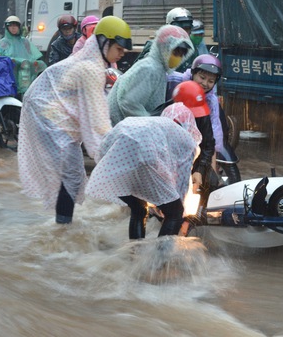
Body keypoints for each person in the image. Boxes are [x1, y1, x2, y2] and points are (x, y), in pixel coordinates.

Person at [17, 16, 132, 224]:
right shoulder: (91, 68)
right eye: (119, 49)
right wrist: (113, 152)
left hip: (49, 110)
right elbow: (97, 118)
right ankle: (63, 228)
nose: (122, 55)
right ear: (104, 43)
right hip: (45, 112)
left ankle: (63, 225)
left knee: (73, 174)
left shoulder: (93, 60)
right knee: (71, 173)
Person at [86, 102, 203, 239]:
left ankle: (135, 253)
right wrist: (178, 215)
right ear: (189, 125)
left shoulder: (152, 123)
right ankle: (159, 259)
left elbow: (102, 152)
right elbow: (181, 185)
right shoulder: (187, 141)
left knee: (139, 209)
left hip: (114, 162)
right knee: (175, 213)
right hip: (146, 158)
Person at [107, 24, 193, 124]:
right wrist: (150, 124)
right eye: (175, 53)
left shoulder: (158, 69)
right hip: (119, 129)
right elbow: (129, 102)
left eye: (181, 55)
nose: (178, 58)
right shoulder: (150, 68)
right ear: (164, 48)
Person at [168, 54, 224, 159]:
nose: (205, 83)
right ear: (193, 73)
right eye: (202, 77)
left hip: (194, 142)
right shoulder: (174, 80)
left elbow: (214, 127)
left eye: (211, 81)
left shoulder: (211, 101)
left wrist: (214, 151)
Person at [171, 80, 215, 190]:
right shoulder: (167, 117)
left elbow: (208, 146)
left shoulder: (203, 116)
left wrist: (199, 170)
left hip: (195, 162)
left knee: (212, 182)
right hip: (170, 166)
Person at [0, 15, 47, 95]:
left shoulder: (25, 41)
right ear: (6, 27)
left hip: (25, 69)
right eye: (10, 25)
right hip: (11, 70)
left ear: (19, 27)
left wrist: (34, 62)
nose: (13, 27)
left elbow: (32, 54)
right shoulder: (4, 42)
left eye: (15, 25)